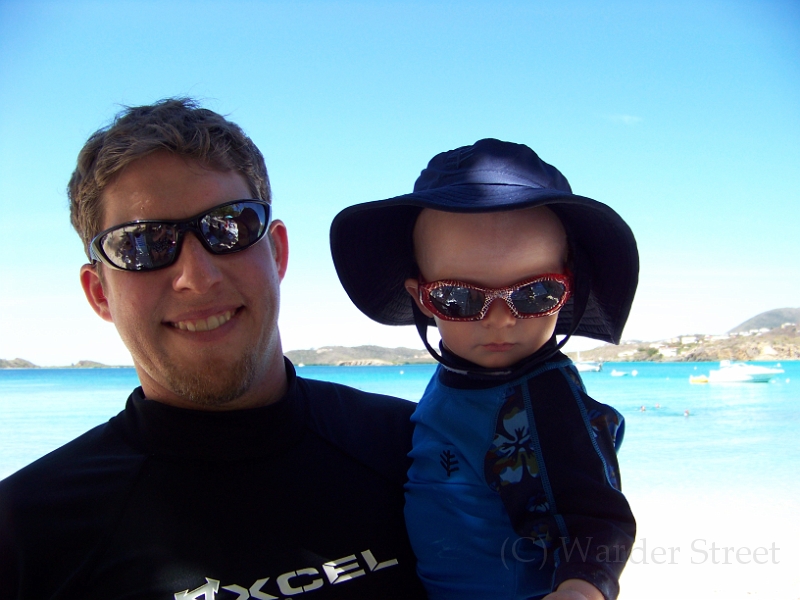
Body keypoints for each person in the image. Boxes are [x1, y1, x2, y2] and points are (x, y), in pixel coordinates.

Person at [0, 98, 426, 599]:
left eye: (229, 226)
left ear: (277, 252)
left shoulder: (423, 455)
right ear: (100, 294)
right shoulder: (25, 535)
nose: (197, 277)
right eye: (143, 244)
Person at [330, 139, 639, 600]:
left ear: (567, 291)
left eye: (534, 294)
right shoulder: (462, 373)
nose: (499, 320)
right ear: (422, 298)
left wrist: (580, 590)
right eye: (459, 298)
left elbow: (599, 519)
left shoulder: (545, 401)